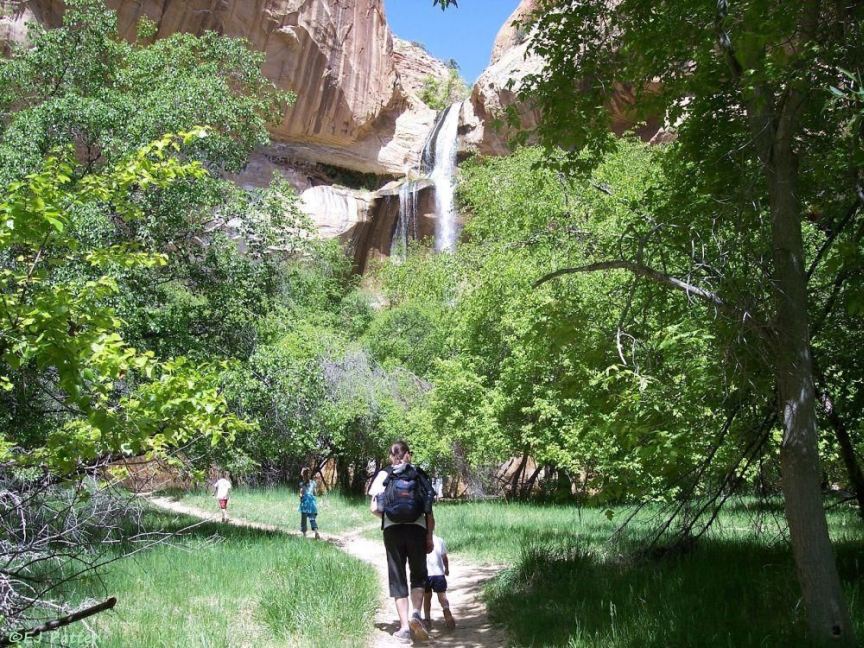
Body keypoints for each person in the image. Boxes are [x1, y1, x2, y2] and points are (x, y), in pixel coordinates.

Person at [369, 441, 435, 644]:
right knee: (418, 574)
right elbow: (429, 509)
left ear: (391, 456)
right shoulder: (419, 474)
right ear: (408, 455)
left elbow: (373, 509)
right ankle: (416, 613)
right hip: (417, 529)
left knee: (397, 576)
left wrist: (389, 515)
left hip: (392, 531)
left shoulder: (384, 474)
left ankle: (405, 627)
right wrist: (429, 535)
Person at [422, 533, 456, 631]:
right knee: (442, 597)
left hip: (426, 574)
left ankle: (427, 620)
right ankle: (446, 611)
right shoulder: (439, 540)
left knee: (427, 598)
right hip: (439, 574)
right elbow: (444, 557)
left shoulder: (419, 540)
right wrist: (447, 569)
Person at [298, 467, 320, 540]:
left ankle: (304, 535)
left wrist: (301, 497)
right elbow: (315, 493)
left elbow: (300, 494)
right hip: (311, 503)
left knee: (303, 519)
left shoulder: (301, 484)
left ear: (302, 475)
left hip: (305, 502)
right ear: (309, 474)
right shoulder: (313, 483)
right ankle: (316, 532)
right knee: (312, 518)